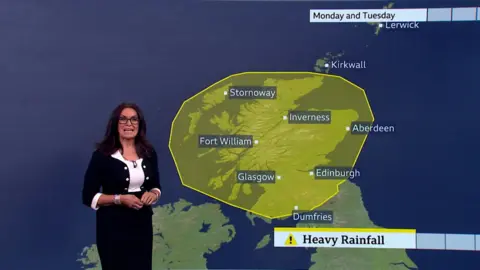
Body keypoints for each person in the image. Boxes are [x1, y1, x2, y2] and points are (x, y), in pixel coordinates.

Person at [82, 102, 162, 270]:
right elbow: (88, 196)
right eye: (123, 119)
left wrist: (153, 194)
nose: (129, 124)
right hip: (112, 228)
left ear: (139, 124)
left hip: (141, 225)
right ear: (115, 124)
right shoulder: (102, 156)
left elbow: (155, 185)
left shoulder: (148, 153)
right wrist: (119, 199)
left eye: (134, 119)